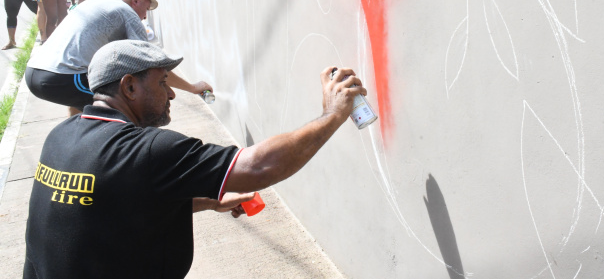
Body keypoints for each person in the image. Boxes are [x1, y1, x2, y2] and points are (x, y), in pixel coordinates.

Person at [23, 39, 367, 278]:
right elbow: (260, 166)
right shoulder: (148, 149)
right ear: (129, 88)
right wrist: (332, 114)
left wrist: (206, 199)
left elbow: (113, 200)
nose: (172, 92)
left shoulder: (62, 135)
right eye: (161, 82)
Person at [25, 0, 211, 115]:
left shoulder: (95, 3)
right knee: (121, 110)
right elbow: (152, 66)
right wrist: (193, 87)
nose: (145, 17)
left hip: (35, 71)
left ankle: (78, 143)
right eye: (146, 8)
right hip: (62, 77)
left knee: (85, 103)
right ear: (136, 0)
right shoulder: (127, 13)